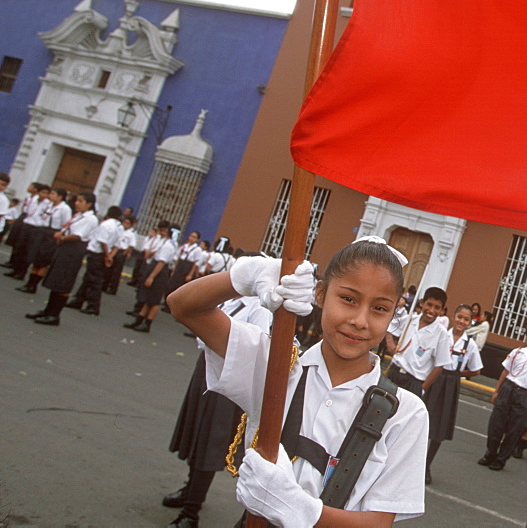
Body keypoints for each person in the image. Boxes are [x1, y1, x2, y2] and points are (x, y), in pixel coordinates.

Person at [168, 235, 428, 526]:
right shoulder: (276, 364)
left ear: (394, 314)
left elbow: (378, 523)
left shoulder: (405, 412)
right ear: (319, 294)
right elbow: (183, 306)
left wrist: (298, 509)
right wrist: (246, 275)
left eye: (380, 308)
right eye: (348, 299)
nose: (360, 320)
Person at [163, 296, 273, 528]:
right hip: (205, 368)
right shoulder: (231, 300)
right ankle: (189, 489)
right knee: (196, 435)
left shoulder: (259, 306)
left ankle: (191, 513)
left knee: (209, 444)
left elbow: (258, 346)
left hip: (228, 378)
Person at [424, 303, 483, 484]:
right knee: (422, 418)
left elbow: (476, 370)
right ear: (453, 316)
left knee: (440, 426)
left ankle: (426, 466)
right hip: (435, 377)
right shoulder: (442, 335)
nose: (461, 321)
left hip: (451, 383)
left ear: (470, 322)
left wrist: (458, 375)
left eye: (466, 319)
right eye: (459, 317)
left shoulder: (470, 344)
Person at [478, 324, 527, 471]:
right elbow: (505, 371)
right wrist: (497, 391)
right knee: (496, 424)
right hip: (508, 388)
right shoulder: (517, 352)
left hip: (523, 394)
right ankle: (490, 454)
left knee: (514, 429)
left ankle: (501, 459)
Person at [23, 192, 99, 326]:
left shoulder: (90, 219)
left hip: (73, 251)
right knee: (56, 280)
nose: (77, 203)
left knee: (63, 283)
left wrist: (62, 238)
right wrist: (62, 235)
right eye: (76, 200)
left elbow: (78, 235)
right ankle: (47, 311)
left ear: (89, 204)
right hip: (65, 248)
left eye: (81, 201)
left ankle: (54, 315)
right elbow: (68, 228)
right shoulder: (79, 216)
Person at [385, 287, 451, 400]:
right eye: (429, 304)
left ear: (442, 310)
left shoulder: (441, 334)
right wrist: (390, 343)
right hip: (394, 373)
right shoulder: (411, 319)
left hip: (413, 382)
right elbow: (389, 328)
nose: (431, 310)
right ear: (422, 303)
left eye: (437, 307)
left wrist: (422, 388)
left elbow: (439, 367)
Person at [66, 206, 122, 316]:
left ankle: (93, 305)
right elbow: (117, 245)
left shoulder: (106, 224)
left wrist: (107, 255)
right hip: (105, 254)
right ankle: (78, 300)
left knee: (95, 280)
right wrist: (110, 256)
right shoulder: (119, 227)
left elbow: (102, 241)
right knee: (88, 278)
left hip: (98, 254)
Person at [125, 220, 176, 332]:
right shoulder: (164, 242)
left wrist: (151, 276)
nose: (163, 232)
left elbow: (162, 262)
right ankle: (139, 320)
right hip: (155, 267)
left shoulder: (168, 245)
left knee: (155, 300)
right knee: (149, 298)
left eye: (165, 231)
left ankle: (147, 323)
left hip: (159, 271)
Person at [103, 215, 136, 295]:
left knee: (116, 272)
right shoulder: (119, 229)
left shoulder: (131, 234)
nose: (125, 224)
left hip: (122, 251)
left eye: (128, 223)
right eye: (124, 222)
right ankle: (104, 285)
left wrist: (126, 253)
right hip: (115, 250)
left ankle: (113, 289)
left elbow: (131, 245)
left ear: (131, 225)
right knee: (109, 269)